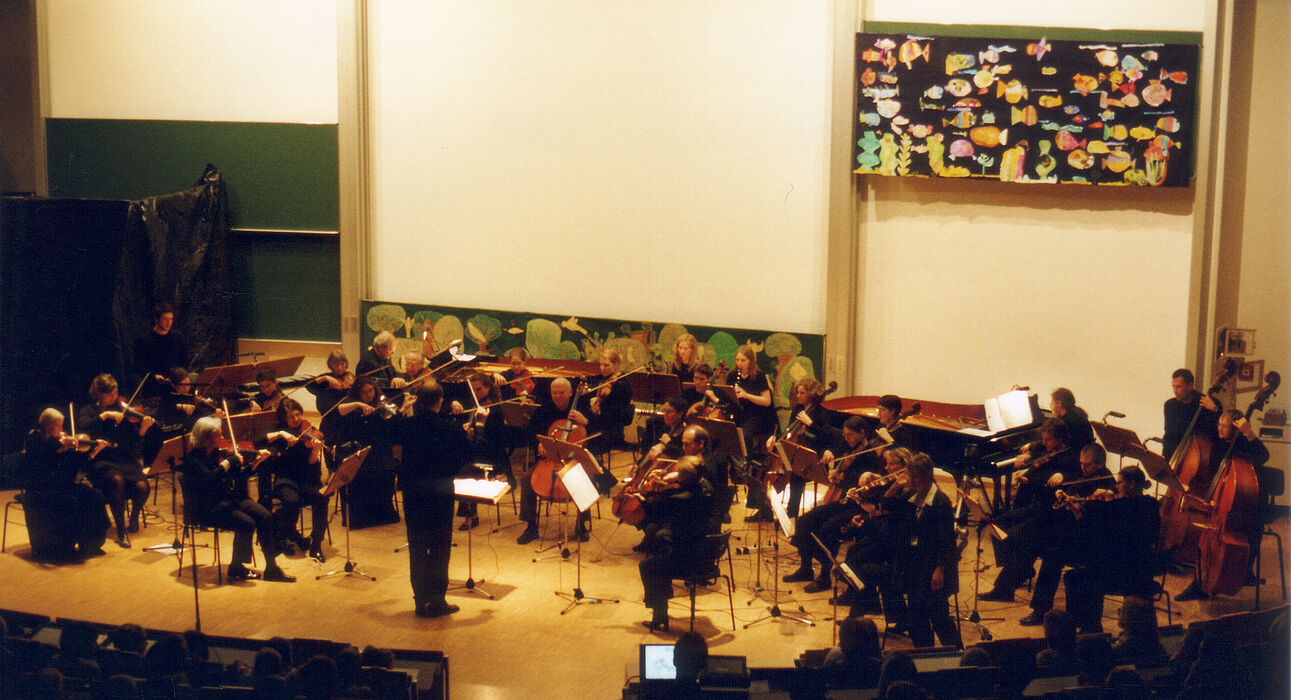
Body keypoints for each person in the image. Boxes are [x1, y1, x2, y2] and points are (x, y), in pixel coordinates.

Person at [179, 416, 294, 582]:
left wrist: (255, 463)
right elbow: (209, 479)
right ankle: (236, 567)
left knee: (265, 516)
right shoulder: (192, 460)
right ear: (206, 438)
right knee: (247, 523)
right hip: (208, 508)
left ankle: (271, 568)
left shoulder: (214, 455)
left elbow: (237, 475)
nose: (222, 438)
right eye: (218, 435)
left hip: (228, 500)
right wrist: (227, 463)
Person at [980, 418, 1081, 603]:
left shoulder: (1070, 458)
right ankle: (1020, 570)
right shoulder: (1044, 449)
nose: (1044, 442)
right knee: (997, 523)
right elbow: (1036, 447)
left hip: (1051, 513)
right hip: (1035, 506)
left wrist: (1055, 476)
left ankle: (1010, 582)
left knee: (1016, 537)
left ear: (1060, 439)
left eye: (1048, 439)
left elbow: (1071, 477)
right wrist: (1027, 455)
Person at [1174, 407, 1270, 601]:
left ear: (1235, 428)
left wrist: (1250, 433)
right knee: (1205, 538)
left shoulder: (1246, 444)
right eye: (1219, 425)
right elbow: (1213, 476)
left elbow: (1263, 457)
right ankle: (1199, 582)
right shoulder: (1218, 446)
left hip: (1251, 504)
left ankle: (1244, 573)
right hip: (1224, 501)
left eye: (1224, 426)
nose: (1219, 429)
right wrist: (1211, 497)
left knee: (1249, 532)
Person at [394, 380, 471, 617]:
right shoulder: (451, 428)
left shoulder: (406, 425)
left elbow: (390, 435)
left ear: (418, 400)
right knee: (439, 547)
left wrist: (402, 409)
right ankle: (437, 601)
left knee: (417, 546)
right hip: (440, 493)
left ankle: (420, 602)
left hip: (413, 492)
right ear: (440, 401)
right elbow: (464, 458)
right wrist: (470, 433)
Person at [785, 416, 882, 593]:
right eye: (845, 435)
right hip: (844, 500)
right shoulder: (847, 447)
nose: (847, 439)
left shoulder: (870, 455)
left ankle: (824, 577)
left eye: (850, 435)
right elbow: (830, 449)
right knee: (805, 520)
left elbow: (867, 486)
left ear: (862, 433)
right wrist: (833, 470)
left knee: (828, 529)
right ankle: (806, 569)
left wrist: (846, 480)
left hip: (858, 505)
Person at [1063, 465, 1161, 633]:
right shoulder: (1138, 504)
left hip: (1131, 571)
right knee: (1080, 575)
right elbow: (1097, 530)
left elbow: (1111, 533)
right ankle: (1089, 626)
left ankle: (1090, 627)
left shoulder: (1138, 506)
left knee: (1078, 578)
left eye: (1119, 483)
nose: (1116, 487)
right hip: (1127, 565)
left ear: (1131, 484)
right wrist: (1079, 512)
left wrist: (1105, 506)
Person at [888, 453, 961, 648]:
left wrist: (940, 569)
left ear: (927, 475)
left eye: (915, 477)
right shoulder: (912, 497)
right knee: (917, 618)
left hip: (933, 567)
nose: (912, 481)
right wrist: (896, 484)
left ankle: (956, 655)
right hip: (915, 565)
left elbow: (947, 542)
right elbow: (886, 503)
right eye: (910, 476)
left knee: (939, 617)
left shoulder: (940, 502)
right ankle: (925, 654)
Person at [77, 373, 157, 548]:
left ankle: (134, 517)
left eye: (116, 392)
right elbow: (83, 429)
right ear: (99, 394)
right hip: (101, 461)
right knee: (117, 481)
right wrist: (105, 416)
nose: (115, 397)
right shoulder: (88, 411)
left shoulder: (123, 412)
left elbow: (132, 442)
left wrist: (142, 430)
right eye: (110, 394)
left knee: (143, 486)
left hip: (123, 460)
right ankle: (121, 531)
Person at [21, 408, 110, 559]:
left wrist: (93, 452)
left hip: (61, 485)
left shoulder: (60, 442)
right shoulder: (34, 439)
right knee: (71, 502)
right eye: (59, 426)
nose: (63, 430)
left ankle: (90, 544)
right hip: (41, 488)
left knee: (94, 495)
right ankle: (65, 546)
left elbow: (76, 468)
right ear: (49, 425)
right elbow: (42, 459)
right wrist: (60, 447)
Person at [637, 456, 714, 633]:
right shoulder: (705, 488)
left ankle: (659, 614)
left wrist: (642, 498)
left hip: (687, 559)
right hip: (703, 550)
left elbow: (652, 515)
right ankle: (661, 610)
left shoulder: (681, 499)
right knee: (657, 546)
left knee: (647, 566)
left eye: (678, 473)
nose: (676, 475)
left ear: (685, 478)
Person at [517, 377, 589, 544]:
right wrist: (540, 443)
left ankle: (582, 524)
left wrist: (586, 422)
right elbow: (531, 433)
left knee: (585, 479)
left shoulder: (582, 408)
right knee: (527, 478)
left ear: (570, 393)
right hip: (548, 459)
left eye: (561, 393)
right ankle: (531, 527)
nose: (558, 396)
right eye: (555, 393)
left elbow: (596, 433)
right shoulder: (544, 410)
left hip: (573, 460)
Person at [260, 397, 329, 560]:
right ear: (284, 419)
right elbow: (259, 439)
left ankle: (316, 544)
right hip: (285, 479)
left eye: (298, 415)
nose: (296, 419)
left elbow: (312, 463)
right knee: (292, 501)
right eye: (291, 417)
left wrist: (315, 452)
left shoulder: (308, 429)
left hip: (306, 479)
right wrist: (281, 434)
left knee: (322, 498)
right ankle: (292, 535)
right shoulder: (279, 431)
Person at [766, 377, 842, 519]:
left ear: (811, 394)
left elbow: (826, 436)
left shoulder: (821, 412)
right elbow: (789, 430)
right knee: (782, 472)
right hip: (796, 451)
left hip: (813, 453)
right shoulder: (798, 409)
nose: (798, 396)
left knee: (796, 477)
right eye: (797, 392)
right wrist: (775, 438)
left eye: (802, 393)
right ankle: (768, 511)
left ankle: (791, 516)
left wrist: (810, 424)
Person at [335, 375, 401, 528]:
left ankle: (383, 513)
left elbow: (394, 419)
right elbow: (340, 410)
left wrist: (398, 411)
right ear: (358, 393)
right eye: (364, 393)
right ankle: (361, 518)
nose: (369, 395)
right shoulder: (352, 404)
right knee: (362, 471)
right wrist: (358, 404)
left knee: (386, 469)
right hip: (358, 449)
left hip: (378, 448)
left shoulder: (382, 401)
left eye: (371, 391)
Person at [726, 344, 778, 521]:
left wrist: (746, 395)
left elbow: (766, 401)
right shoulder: (733, 375)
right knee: (725, 433)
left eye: (743, 360)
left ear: (751, 361)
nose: (739, 364)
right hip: (741, 414)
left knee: (745, 435)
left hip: (759, 417)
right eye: (737, 360)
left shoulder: (759, 376)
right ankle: (737, 468)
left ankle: (744, 466)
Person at [583, 348, 635, 457]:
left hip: (611, 430)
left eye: (606, 365)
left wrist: (598, 404)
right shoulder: (601, 379)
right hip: (599, 423)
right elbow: (590, 380)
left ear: (616, 365)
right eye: (600, 364)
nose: (602, 368)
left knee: (584, 438)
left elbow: (615, 413)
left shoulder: (622, 383)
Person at [1163, 368, 1222, 461]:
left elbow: (1220, 434)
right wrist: (1165, 462)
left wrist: (1215, 410)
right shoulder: (1170, 405)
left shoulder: (1208, 403)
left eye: (1178, 387)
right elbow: (1169, 436)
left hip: (1201, 459)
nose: (1175, 391)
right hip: (1177, 457)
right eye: (1173, 387)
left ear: (1190, 385)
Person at [134, 302, 189, 399]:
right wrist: (154, 376)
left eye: (171, 319)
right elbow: (138, 366)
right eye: (165, 319)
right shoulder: (144, 340)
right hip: (154, 390)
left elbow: (184, 361)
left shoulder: (177, 338)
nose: (169, 323)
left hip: (175, 387)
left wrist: (179, 376)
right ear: (156, 319)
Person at [305, 349, 355, 447]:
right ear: (331, 365)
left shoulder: (351, 377)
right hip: (330, 423)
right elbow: (309, 384)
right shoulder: (326, 379)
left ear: (346, 364)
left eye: (342, 364)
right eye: (336, 365)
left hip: (348, 422)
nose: (340, 368)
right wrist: (324, 378)